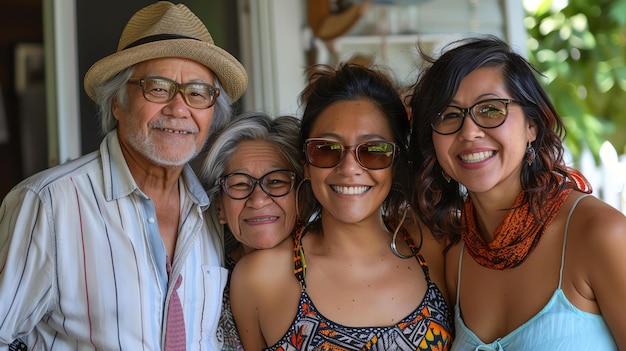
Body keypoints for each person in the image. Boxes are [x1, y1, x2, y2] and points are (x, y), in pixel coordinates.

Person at [0, 2, 248, 349]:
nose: (179, 109)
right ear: (117, 102)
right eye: (158, 88)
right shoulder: (49, 203)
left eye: (197, 93)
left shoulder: (214, 209)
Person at [408, 35, 626, 350]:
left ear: (532, 126)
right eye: (449, 115)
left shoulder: (599, 234)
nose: (469, 132)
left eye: (491, 110)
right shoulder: (457, 255)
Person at [229, 62, 453, 350]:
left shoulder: (435, 249)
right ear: (306, 164)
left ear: (395, 164)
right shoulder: (259, 277)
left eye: (373, 151)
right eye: (326, 149)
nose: (349, 168)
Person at [192, 112, 303, 351]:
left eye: (275, 181)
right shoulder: (204, 285)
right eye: (240, 184)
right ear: (220, 207)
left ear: (301, 196)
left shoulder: (328, 267)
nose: (259, 199)